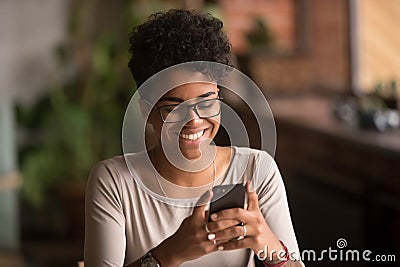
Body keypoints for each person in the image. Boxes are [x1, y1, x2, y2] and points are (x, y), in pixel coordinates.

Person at [84, 9, 303, 267]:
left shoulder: (256, 171)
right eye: (173, 107)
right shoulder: (114, 183)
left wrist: (267, 244)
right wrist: (170, 254)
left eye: (206, 102)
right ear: (147, 111)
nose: (194, 120)